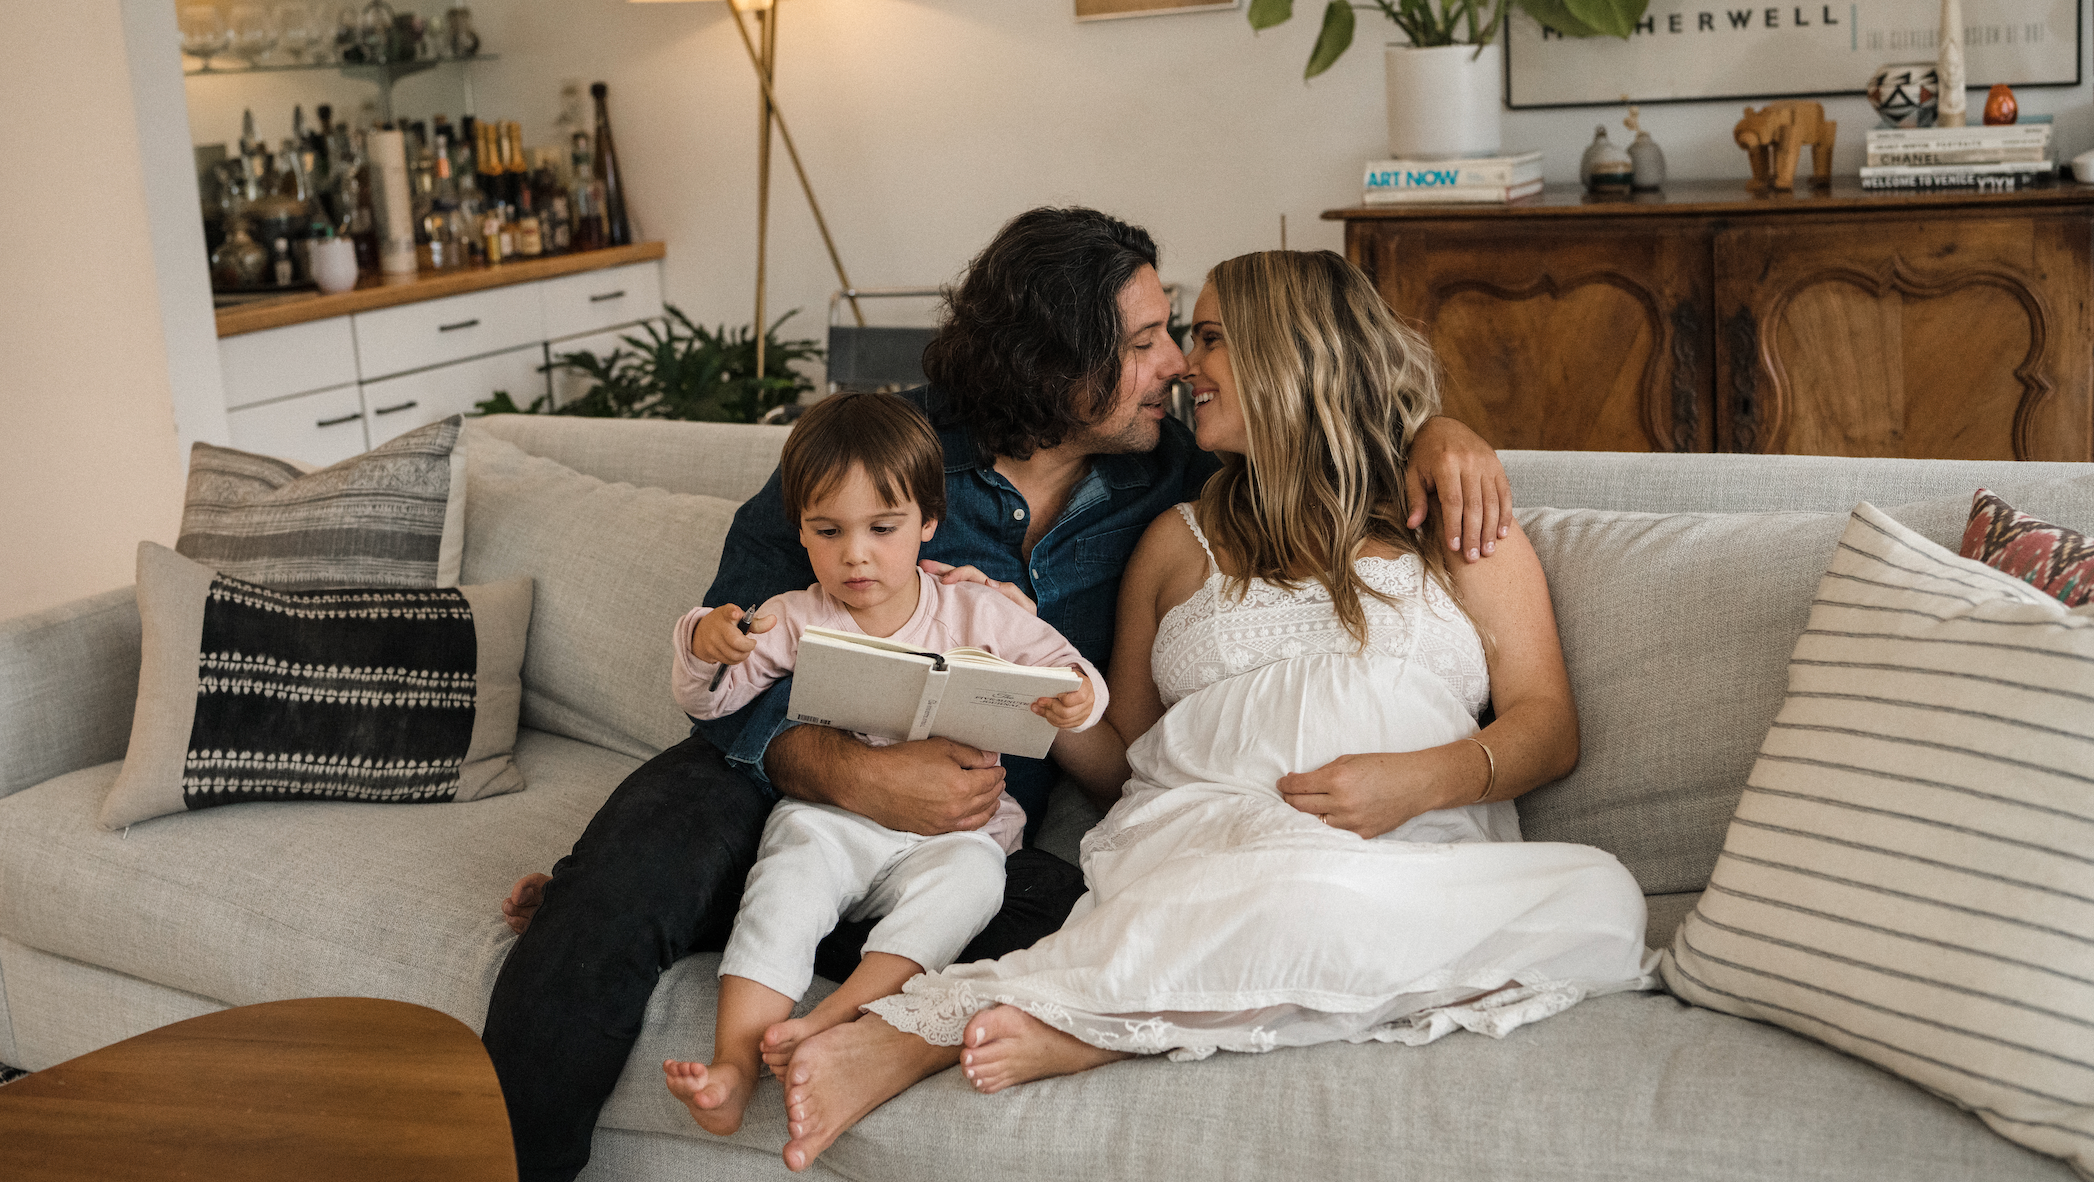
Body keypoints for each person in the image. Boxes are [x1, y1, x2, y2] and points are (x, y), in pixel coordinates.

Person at [482, 208, 1514, 1182]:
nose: (1177, 367)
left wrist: (1439, 432)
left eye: (1178, 336)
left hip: (969, 837)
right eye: (1150, 341)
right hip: (771, 773)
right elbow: (734, 647)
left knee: (1088, 935)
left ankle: (708, 912)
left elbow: (1319, 412)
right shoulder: (873, 451)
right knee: (621, 891)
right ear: (1062, 366)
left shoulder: (1172, 469)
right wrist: (857, 772)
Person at [771, 250, 1654, 1174]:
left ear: (1294, 350)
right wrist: (1028, 684)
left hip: (1410, 860)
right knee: (1286, 888)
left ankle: (1091, 1019)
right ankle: (963, 1029)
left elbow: (1546, 726)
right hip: (1210, 842)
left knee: (1603, 898)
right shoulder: (1173, 539)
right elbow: (1124, 764)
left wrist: (1418, 780)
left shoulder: (1454, 521)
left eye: (1211, 337)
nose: (1187, 365)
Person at [661, 392, 1108, 1135]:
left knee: (977, 879)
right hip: (838, 822)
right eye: (827, 532)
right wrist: (705, 641)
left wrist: (1074, 697)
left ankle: (834, 1019)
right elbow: (712, 702)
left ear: (928, 521)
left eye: (882, 528)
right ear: (800, 530)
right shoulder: (796, 616)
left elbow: (1067, 670)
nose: (855, 554)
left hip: (954, 836)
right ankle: (734, 1064)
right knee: (788, 869)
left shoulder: (977, 610)